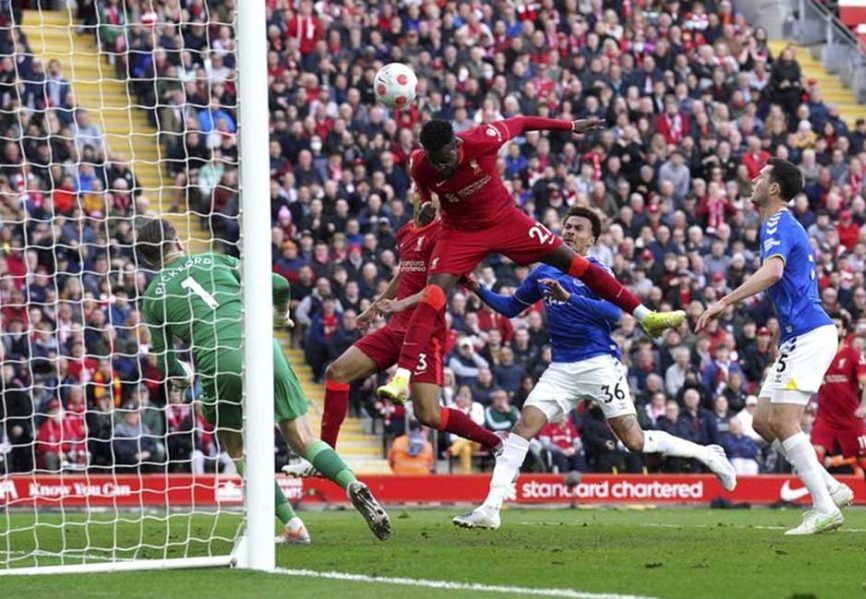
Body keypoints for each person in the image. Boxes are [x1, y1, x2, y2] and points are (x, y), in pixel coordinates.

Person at [454, 207, 735, 530]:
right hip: (561, 368)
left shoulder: (596, 271)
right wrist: (476, 288)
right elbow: (510, 308)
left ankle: (709, 454)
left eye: (578, 228)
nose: (570, 232)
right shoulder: (544, 271)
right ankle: (491, 508)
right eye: (567, 226)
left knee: (635, 441)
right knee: (522, 429)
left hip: (599, 363)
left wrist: (569, 297)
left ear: (592, 239)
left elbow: (614, 315)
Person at [377, 117, 686, 405]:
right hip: (460, 232)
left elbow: (523, 122)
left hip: (507, 221)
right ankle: (402, 378)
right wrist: (428, 205)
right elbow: (422, 191)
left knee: (576, 264)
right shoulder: (420, 164)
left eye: (446, 159)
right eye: (436, 161)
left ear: (457, 144)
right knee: (433, 296)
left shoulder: (483, 139)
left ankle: (647, 317)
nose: (442, 167)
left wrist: (568, 126)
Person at [136, 218, 390, 544]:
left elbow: (166, 360)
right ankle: (352, 483)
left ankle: (293, 525)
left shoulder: (153, 296)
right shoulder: (214, 259)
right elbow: (279, 283)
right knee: (302, 438)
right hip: (263, 345)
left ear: (147, 260)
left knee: (240, 450)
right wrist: (281, 315)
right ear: (178, 243)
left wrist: (182, 381)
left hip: (219, 360)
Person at [697, 158, 848, 535]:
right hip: (800, 334)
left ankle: (824, 506)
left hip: (811, 333)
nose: (753, 179)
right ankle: (830, 486)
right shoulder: (777, 223)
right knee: (763, 422)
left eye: (761, 176)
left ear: (775, 188)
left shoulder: (778, 222)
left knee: (784, 421)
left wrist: (723, 302)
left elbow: (774, 272)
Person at [319, 194, 500, 454]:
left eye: (437, 197)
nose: (431, 201)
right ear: (414, 195)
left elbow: (437, 288)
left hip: (426, 335)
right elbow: (404, 273)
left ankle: (494, 442)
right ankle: (325, 455)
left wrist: (401, 304)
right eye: (426, 193)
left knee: (429, 415)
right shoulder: (406, 232)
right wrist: (372, 308)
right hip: (395, 329)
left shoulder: (445, 236)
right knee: (336, 372)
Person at [811, 310, 866, 518]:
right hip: (825, 418)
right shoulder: (819, 354)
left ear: (844, 330)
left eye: (838, 326)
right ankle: (822, 504)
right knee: (813, 458)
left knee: (865, 462)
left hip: (851, 418)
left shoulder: (851, 354)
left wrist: (863, 405)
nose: (834, 329)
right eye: (830, 325)